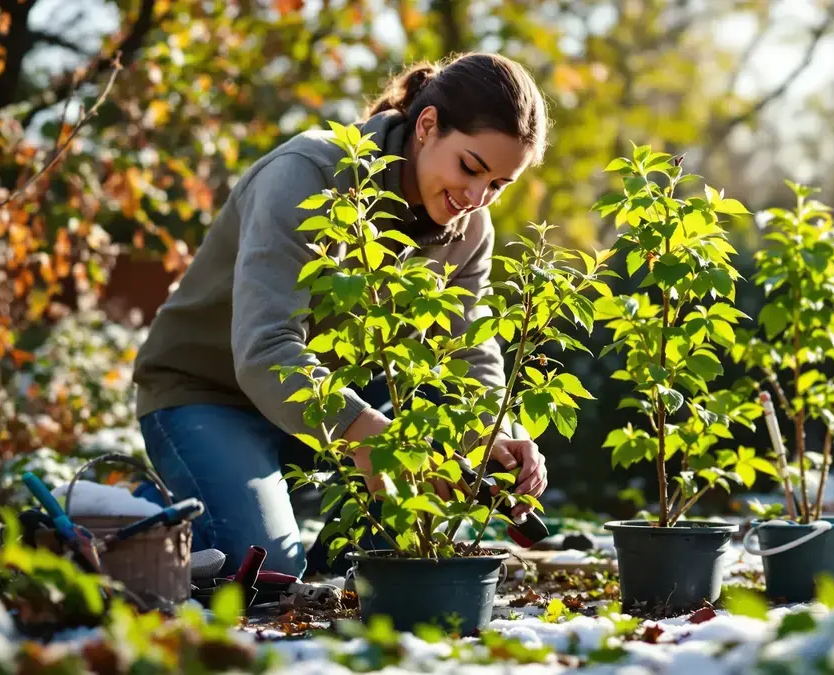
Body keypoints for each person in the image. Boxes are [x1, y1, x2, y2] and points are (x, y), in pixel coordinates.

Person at [129, 52, 552, 579]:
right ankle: (134, 511)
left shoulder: (470, 230)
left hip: (324, 405)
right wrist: (367, 435)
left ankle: (336, 561)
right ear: (427, 125)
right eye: (470, 167)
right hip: (207, 395)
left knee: (429, 448)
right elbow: (265, 351)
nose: (476, 196)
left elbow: (469, 347)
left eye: (497, 185)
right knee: (263, 571)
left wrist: (496, 434)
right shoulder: (306, 176)